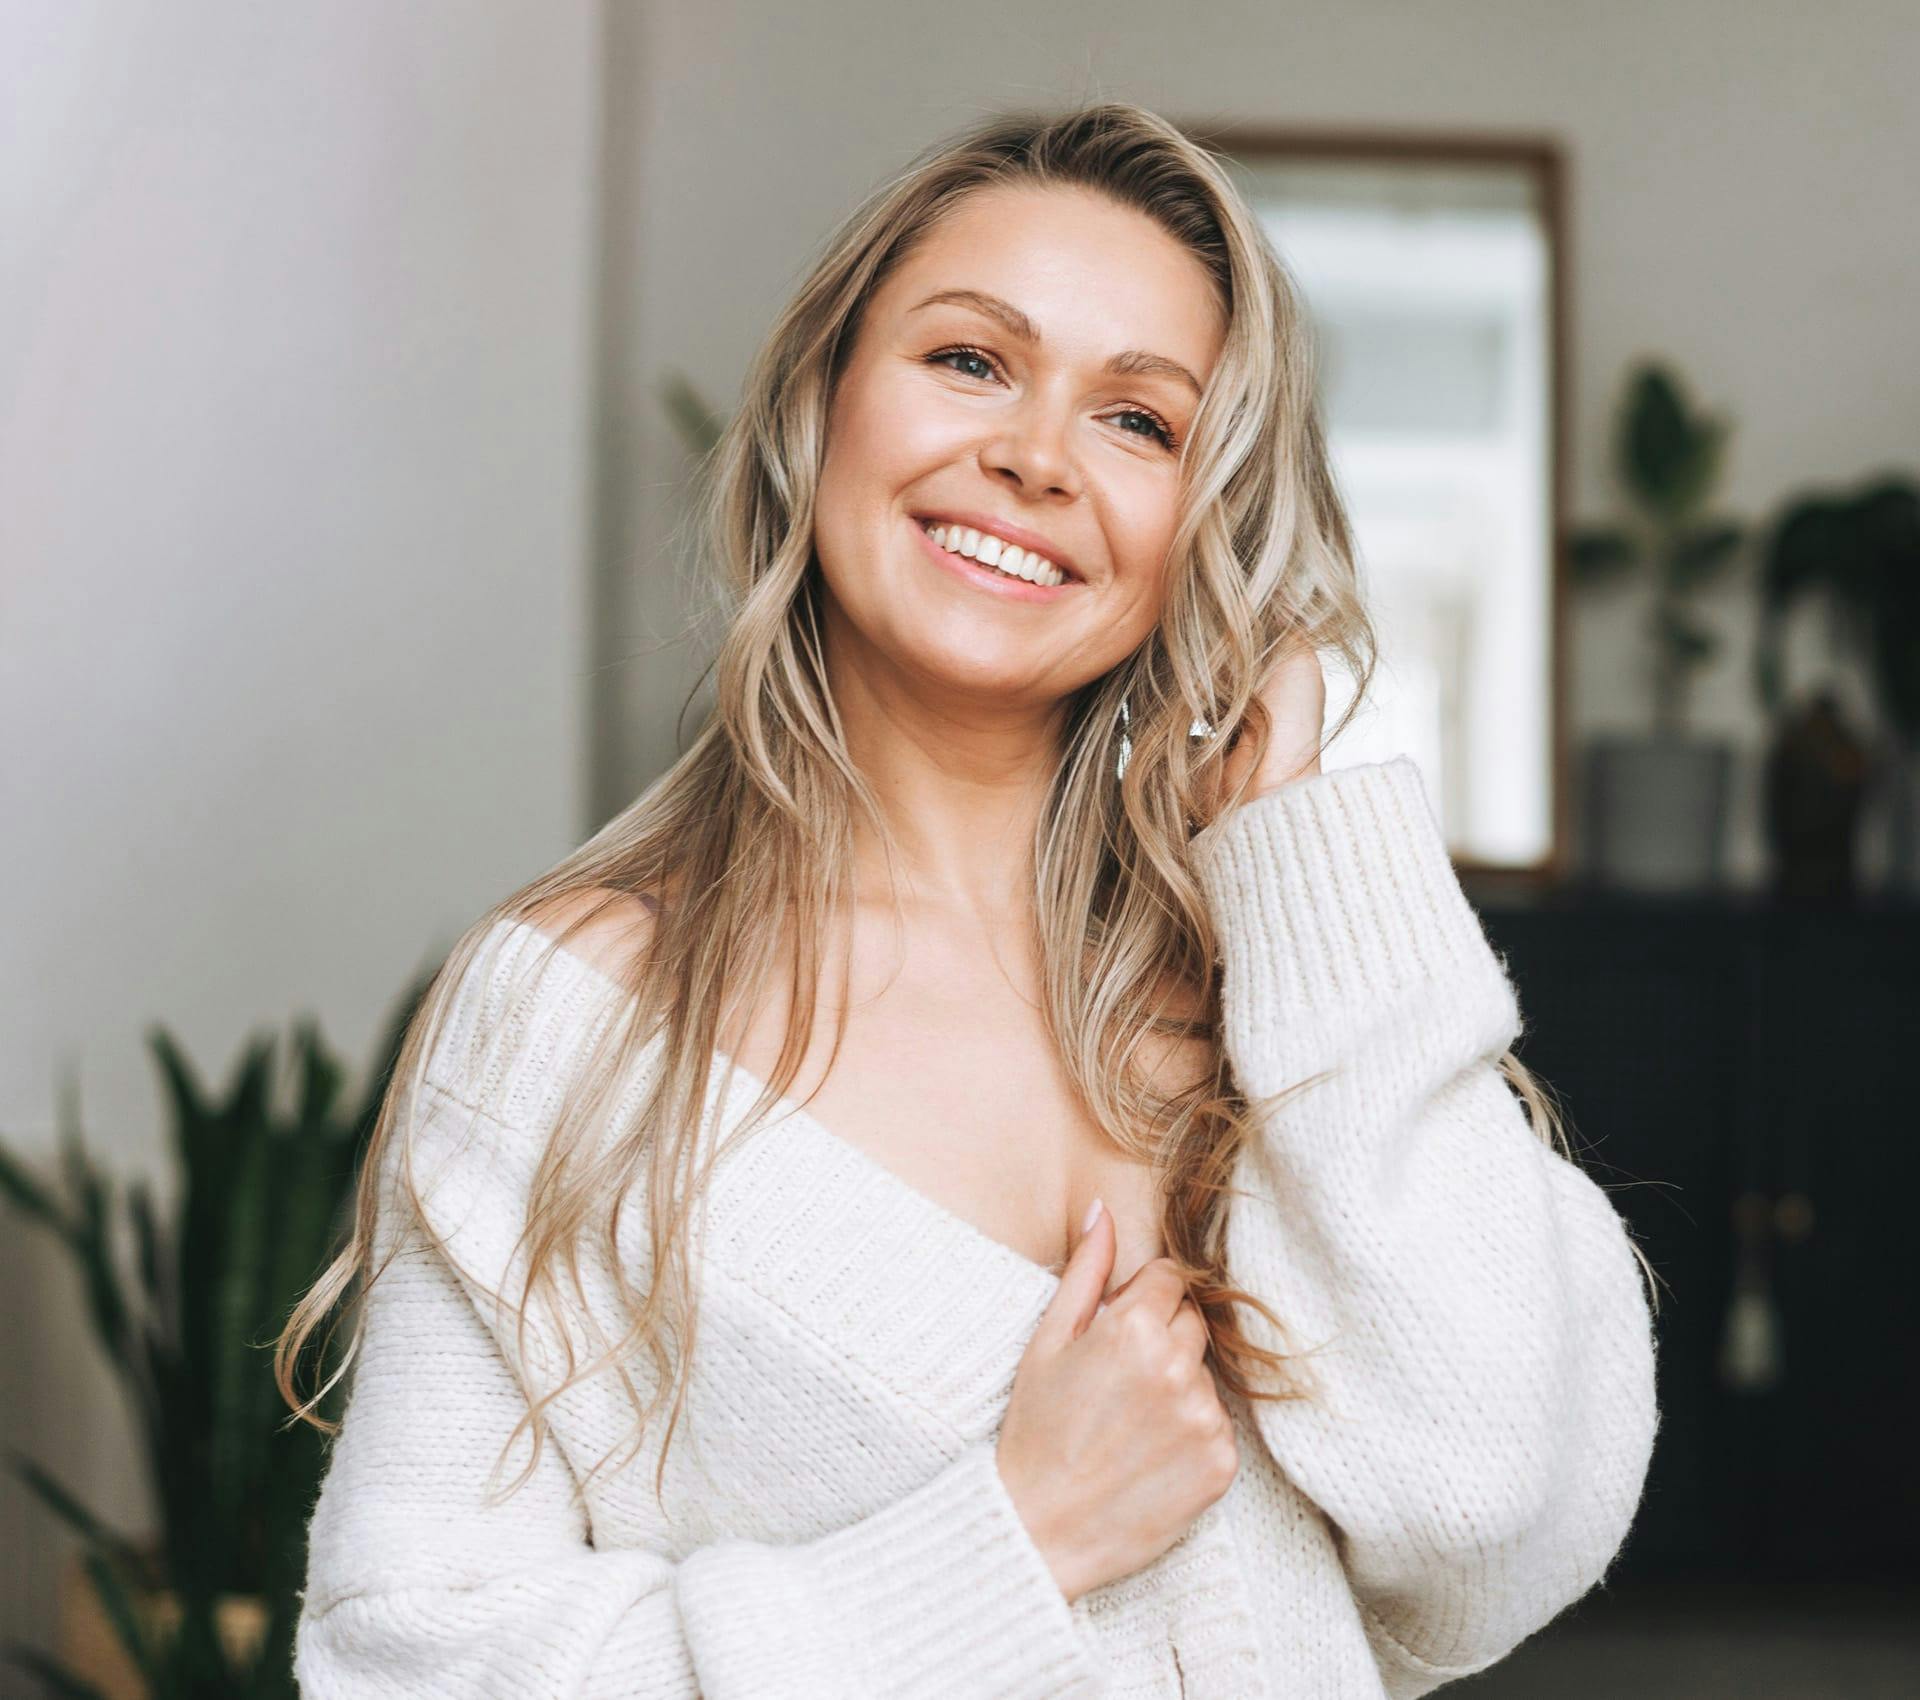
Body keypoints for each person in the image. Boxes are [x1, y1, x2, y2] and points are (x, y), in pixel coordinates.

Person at [277, 102, 1660, 1698]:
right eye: (970, 361)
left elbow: (1493, 1511)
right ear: (823, 402)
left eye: (1141, 421)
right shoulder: (576, 1014)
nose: (1035, 457)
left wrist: (1304, 844)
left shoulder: (1266, 998)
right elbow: (411, 1665)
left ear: (1200, 529)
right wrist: (1007, 1539)